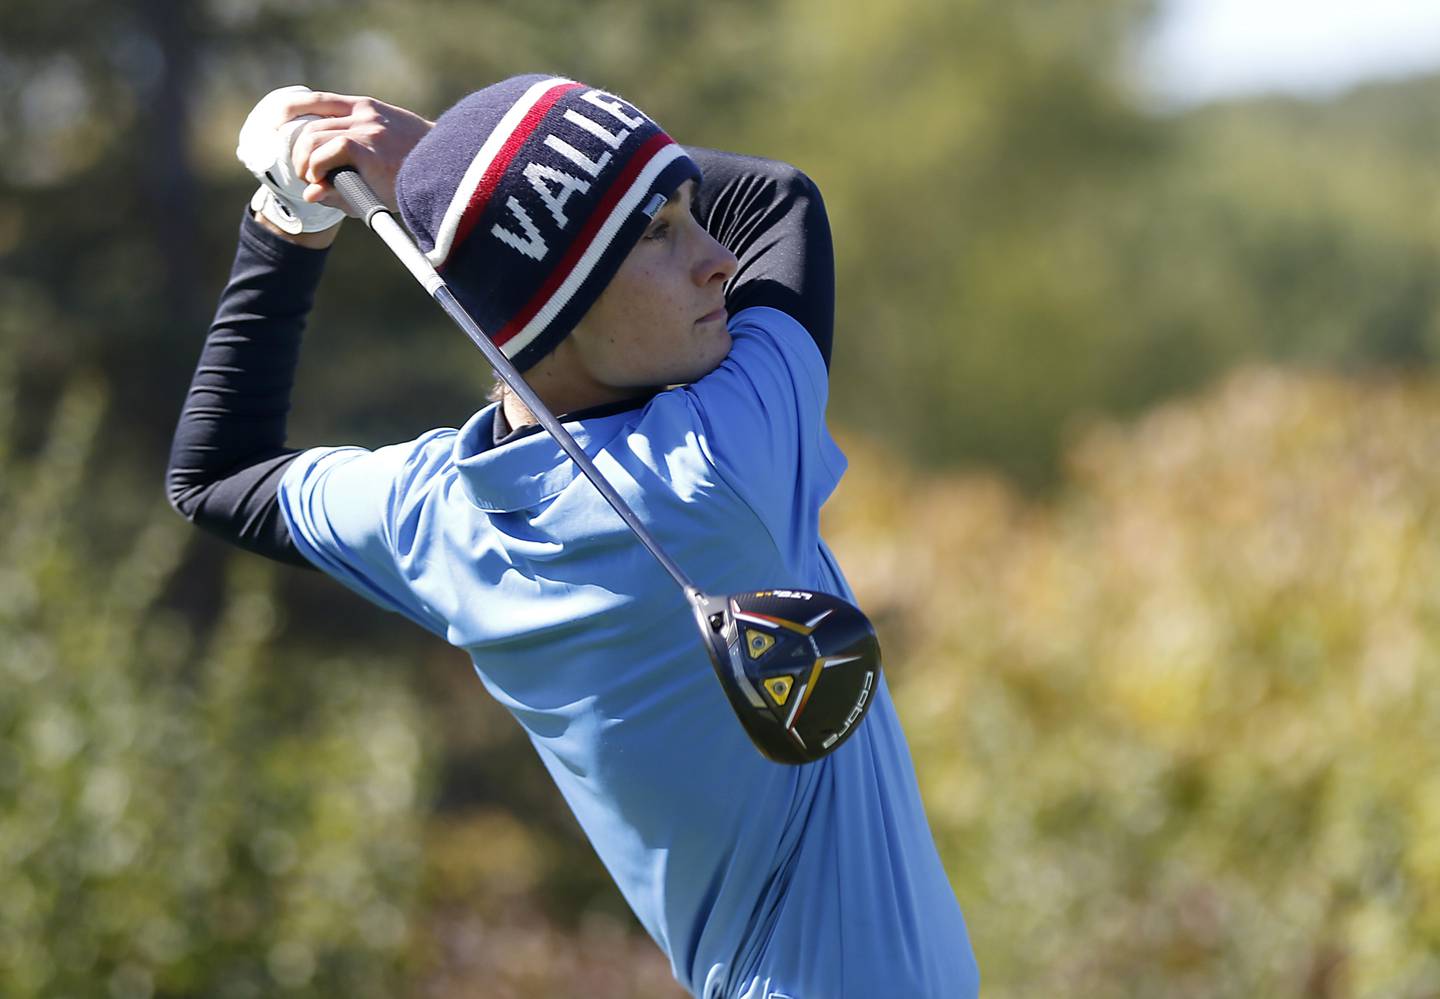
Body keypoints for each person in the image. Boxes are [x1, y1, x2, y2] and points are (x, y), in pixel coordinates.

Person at [168, 75, 979, 999]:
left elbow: (216, 475)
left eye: (687, 213)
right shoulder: (719, 468)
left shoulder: (436, 516)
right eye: (659, 233)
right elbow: (777, 198)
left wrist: (292, 221)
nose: (716, 258)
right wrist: (434, 162)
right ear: (555, 305)